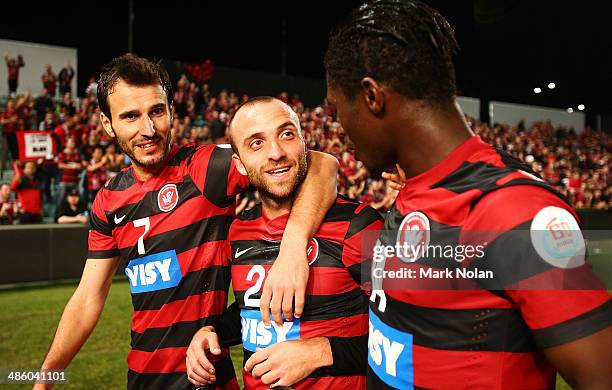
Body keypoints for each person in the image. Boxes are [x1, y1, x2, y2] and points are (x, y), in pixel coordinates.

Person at [324, 1, 611, 389]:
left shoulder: (515, 211)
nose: (338, 127)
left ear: (372, 97)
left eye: (337, 109)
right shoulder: (413, 191)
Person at [34, 53, 338, 390]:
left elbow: (322, 164)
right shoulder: (108, 200)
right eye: (130, 116)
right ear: (107, 124)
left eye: (157, 112)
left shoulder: (204, 169)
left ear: (171, 111)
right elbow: (89, 297)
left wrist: (292, 249)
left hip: (205, 378)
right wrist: (45, 376)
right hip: (141, 379)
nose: (147, 129)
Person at [186, 97, 383, 389]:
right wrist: (212, 331)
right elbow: (251, 310)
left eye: (286, 134)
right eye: (256, 143)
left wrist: (324, 351)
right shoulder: (240, 230)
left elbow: (414, 332)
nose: (276, 152)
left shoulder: (358, 225)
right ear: (240, 165)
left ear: (305, 143)